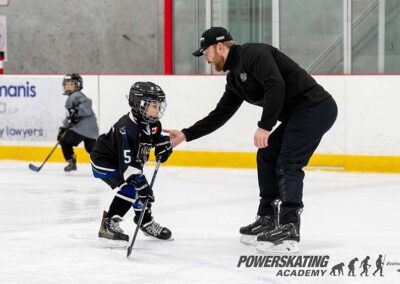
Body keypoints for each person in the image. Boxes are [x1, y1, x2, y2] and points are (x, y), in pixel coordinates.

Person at [165, 27, 337, 253]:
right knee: (267, 154)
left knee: (288, 163)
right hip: (298, 114)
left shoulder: (254, 54)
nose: (205, 58)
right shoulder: (235, 78)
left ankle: (289, 227)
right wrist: (186, 134)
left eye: (205, 52)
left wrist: (265, 126)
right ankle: (267, 217)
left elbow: (276, 84)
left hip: (316, 107)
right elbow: (221, 114)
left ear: (219, 46)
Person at [90, 81, 173, 244]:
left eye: (158, 105)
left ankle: (145, 222)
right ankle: (108, 225)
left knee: (141, 190)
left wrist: (163, 144)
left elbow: (154, 138)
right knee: (133, 189)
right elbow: (128, 167)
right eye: (152, 105)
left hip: (125, 162)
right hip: (105, 161)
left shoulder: (153, 123)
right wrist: (141, 185)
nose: (157, 110)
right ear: (138, 104)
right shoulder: (125, 127)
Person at [58, 73, 99, 172]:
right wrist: (66, 125)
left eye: (71, 84)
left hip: (81, 130)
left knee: (64, 141)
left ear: (78, 85)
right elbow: (70, 117)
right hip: (92, 131)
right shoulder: (74, 96)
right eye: (66, 84)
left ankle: (71, 161)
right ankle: (105, 163)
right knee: (91, 150)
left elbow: (87, 104)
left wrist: (76, 112)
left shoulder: (76, 95)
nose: (68, 86)